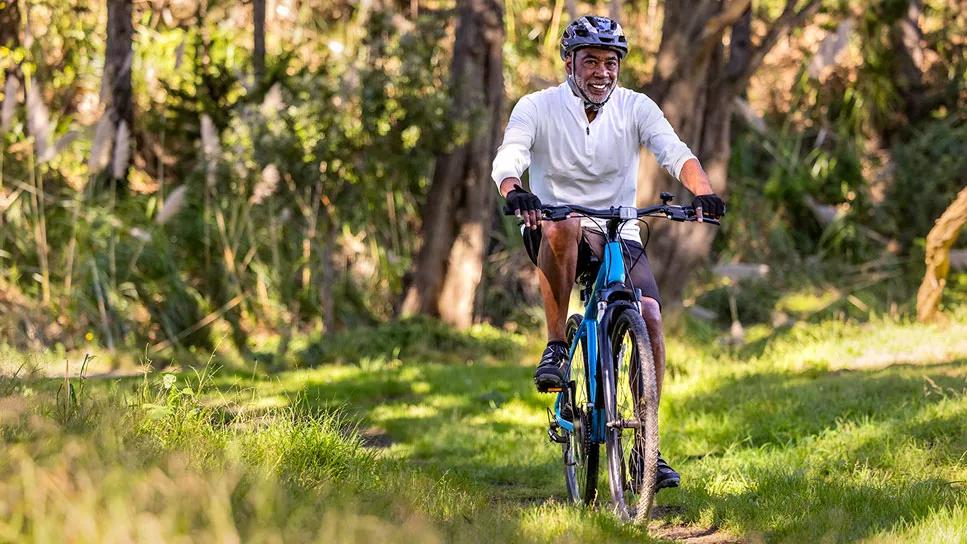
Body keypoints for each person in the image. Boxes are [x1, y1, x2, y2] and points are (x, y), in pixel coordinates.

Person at [491, 15, 725, 491]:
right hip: (554, 225)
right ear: (569, 63)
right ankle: (557, 346)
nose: (602, 71)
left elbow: (675, 152)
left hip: (619, 227)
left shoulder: (635, 107)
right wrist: (514, 189)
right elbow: (510, 153)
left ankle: (647, 448)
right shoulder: (537, 106)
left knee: (652, 316)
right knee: (565, 225)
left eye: (610, 62)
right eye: (591, 61)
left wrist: (702, 191)